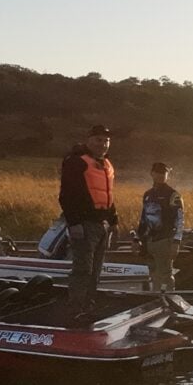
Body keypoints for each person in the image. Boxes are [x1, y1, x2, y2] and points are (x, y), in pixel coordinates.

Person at [58, 126, 118, 314]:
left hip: (102, 225)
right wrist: (74, 223)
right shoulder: (76, 162)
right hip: (84, 224)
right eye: (98, 140)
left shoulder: (106, 164)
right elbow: (66, 195)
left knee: (95, 270)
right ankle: (75, 307)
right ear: (89, 140)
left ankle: (88, 305)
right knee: (83, 268)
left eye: (106, 141)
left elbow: (108, 196)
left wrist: (113, 222)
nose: (102, 144)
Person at [136, 162, 184, 294]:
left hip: (165, 240)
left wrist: (176, 241)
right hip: (149, 240)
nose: (161, 175)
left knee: (166, 275)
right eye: (158, 172)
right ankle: (155, 299)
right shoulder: (147, 194)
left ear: (168, 175)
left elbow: (179, 219)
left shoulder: (173, 194)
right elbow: (143, 218)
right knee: (152, 273)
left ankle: (169, 299)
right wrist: (137, 238)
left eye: (164, 173)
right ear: (152, 174)